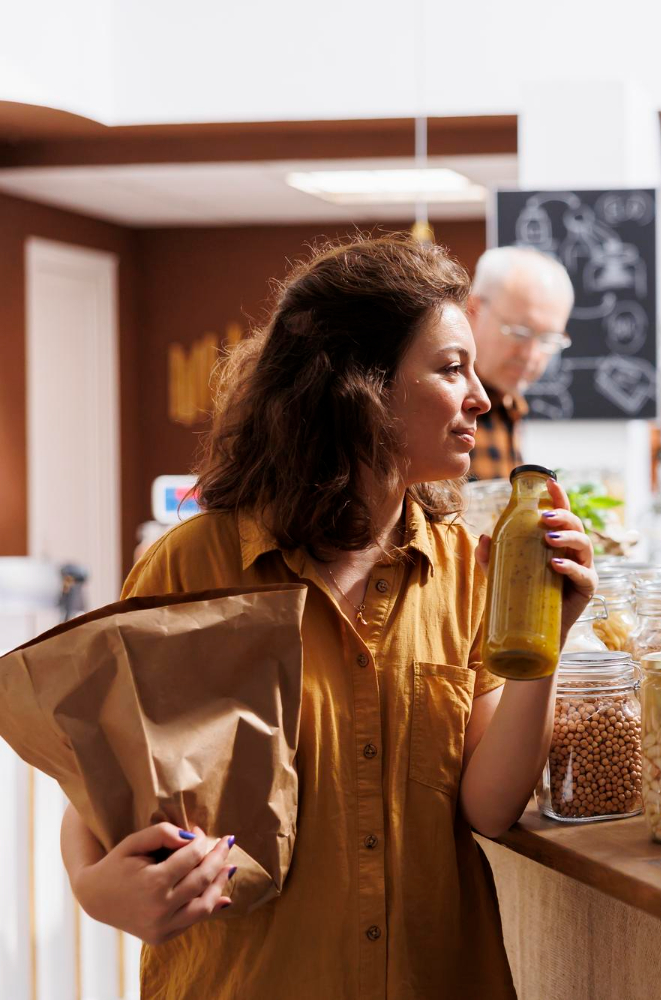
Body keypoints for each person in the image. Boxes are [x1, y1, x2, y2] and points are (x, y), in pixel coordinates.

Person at [58, 234, 596, 997]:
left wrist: (547, 639)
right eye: (450, 368)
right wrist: (93, 888)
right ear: (359, 387)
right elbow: (99, 789)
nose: (482, 396)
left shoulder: (460, 569)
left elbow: (488, 806)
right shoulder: (192, 569)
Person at [465, 246, 574, 479]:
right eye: (520, 333)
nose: (531, 355)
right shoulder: (442, 404)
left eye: (548, 339)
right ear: (473, 309)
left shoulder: (508, 403)